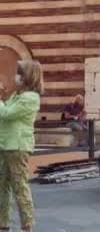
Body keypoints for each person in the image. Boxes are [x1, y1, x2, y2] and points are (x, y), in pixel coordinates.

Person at [0, 61, 43, 232]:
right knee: (2, 187)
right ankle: (3, 224)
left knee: (20, 187)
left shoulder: (31, 98)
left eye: (19, 73)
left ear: (27, 76)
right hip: (4, 145)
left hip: (17, 146)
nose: (15, 76)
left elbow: (7, 114)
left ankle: (27, 226)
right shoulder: (16, 95)